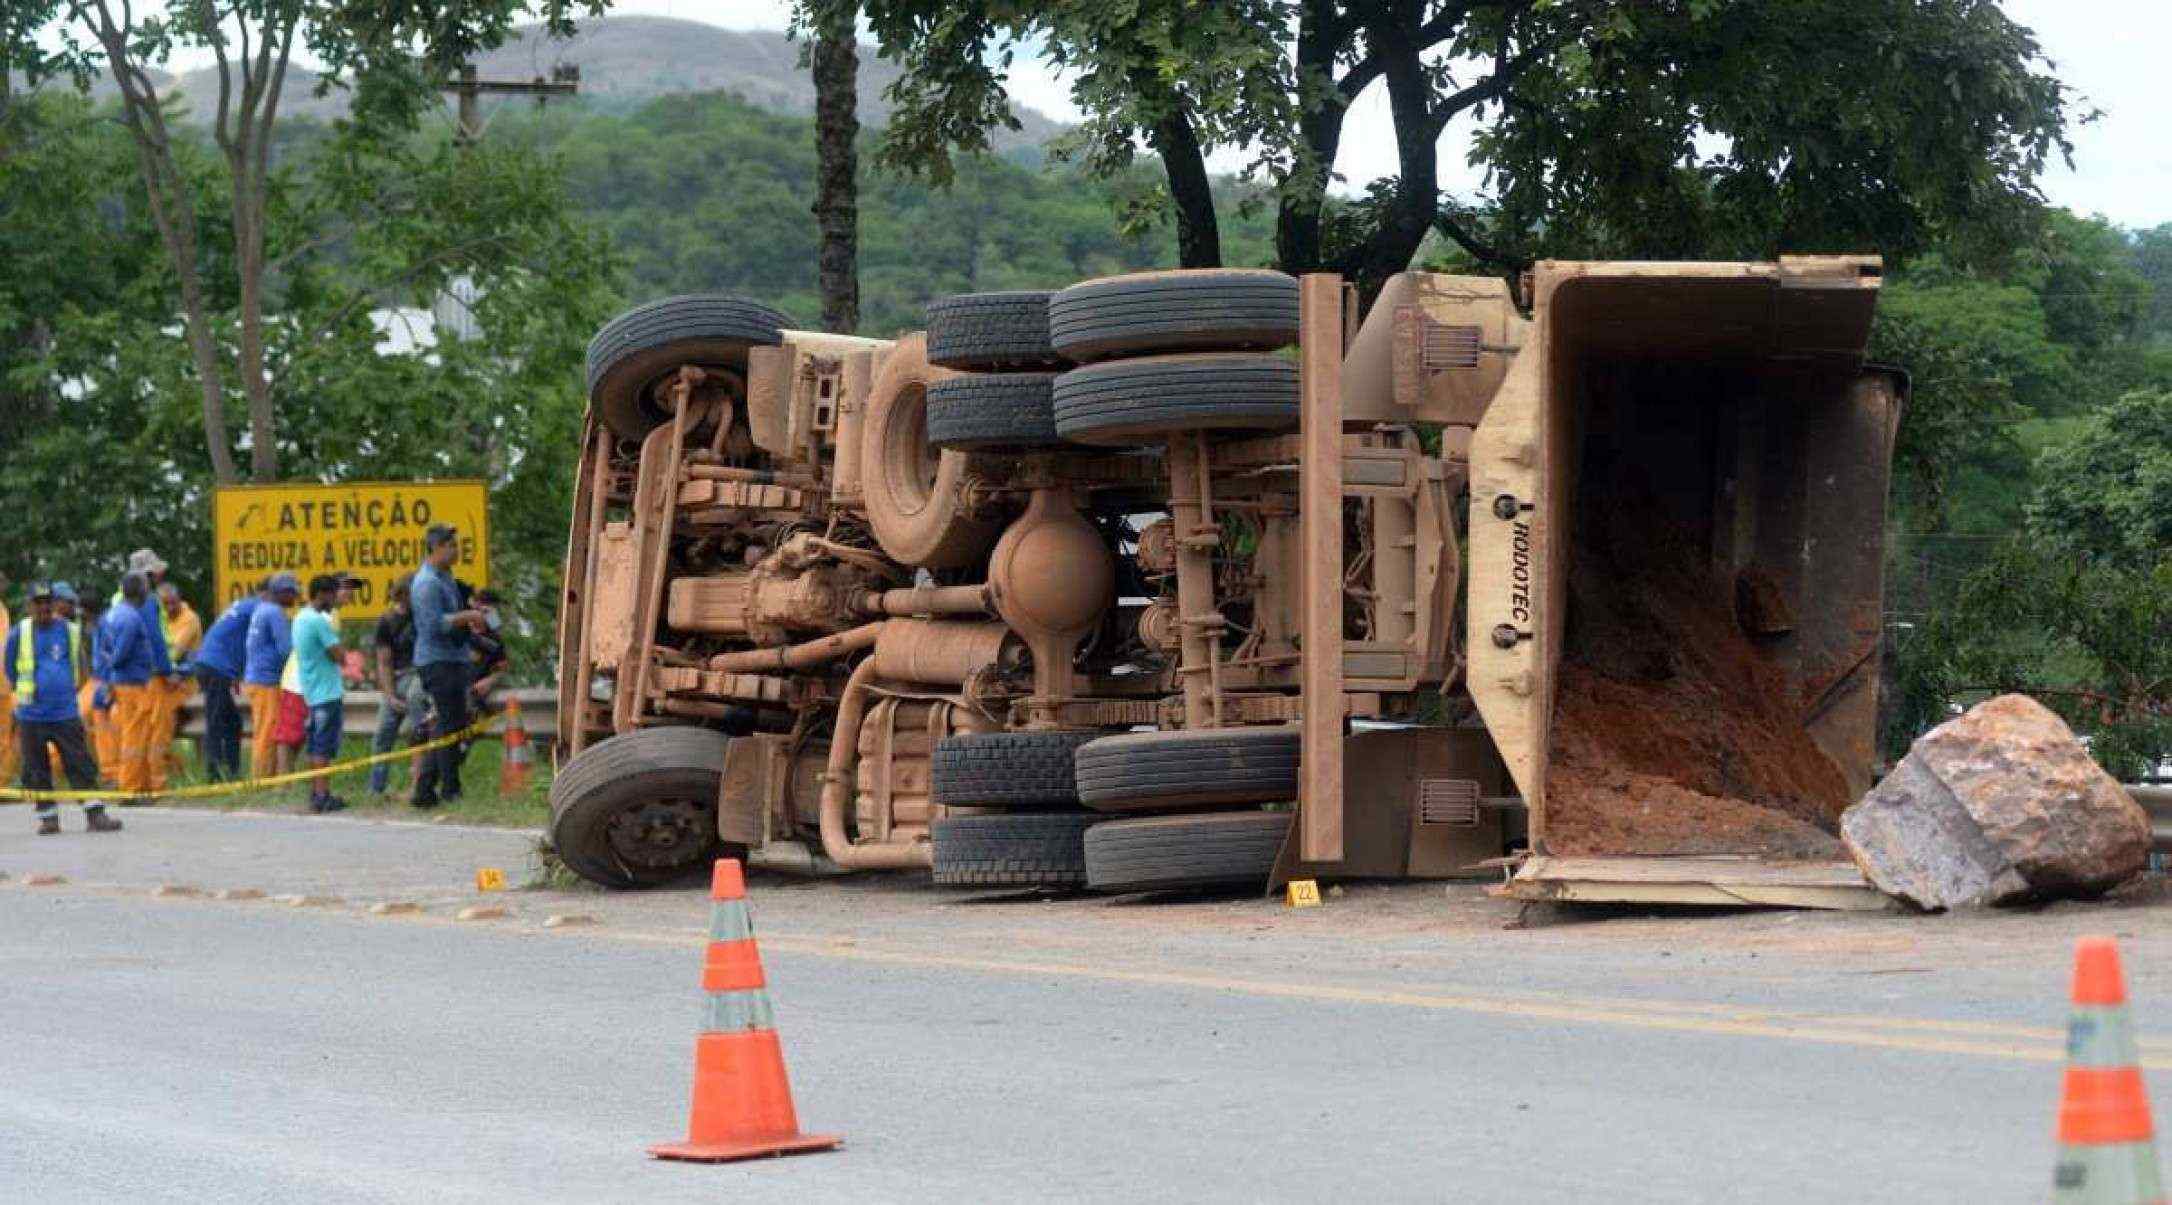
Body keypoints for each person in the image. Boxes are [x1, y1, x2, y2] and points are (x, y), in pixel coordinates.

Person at [6, 583, 120, 834]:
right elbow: (11, 670)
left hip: (64, 711)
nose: (44, 607)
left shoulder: (70, 631)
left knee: (80, 763)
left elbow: (81, 666)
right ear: (29, 606)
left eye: (48, 601)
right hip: (31, 713)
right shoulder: (19, 632)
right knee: (37, 769)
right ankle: (48, 818)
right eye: (38, 603)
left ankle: (95, 814)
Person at [410, 525, 486, 808]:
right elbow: (433, 625)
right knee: (447, 723)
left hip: (454, 658)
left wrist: (471, 615)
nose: (456, 551)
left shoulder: (446, 577)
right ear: (436, 547)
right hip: (437, 660)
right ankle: (449, 788)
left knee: (450, 723)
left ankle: (425, 789)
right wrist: (466, 615)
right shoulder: (427, 582)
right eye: (451, 545)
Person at [95, 571, 163, 797]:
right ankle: (131, 788)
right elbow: (120, 653)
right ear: (141, 591)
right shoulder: (132, 619)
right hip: (134, 684)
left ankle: (139, 786)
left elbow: (103, 649)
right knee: (135, 739)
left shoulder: (111, 614)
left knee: (132, 735)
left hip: (121, 683)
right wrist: (114, 663)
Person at [194, 581, 265, 781]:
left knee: (233, 722)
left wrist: (234, 674)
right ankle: (214, 774)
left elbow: (236, 640)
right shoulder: (258, 608)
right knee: (216, 721)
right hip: (216, 667)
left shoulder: (243, 605)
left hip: (211, 664)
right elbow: (256, 642)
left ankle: (232, 770)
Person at [291, 574, 348, 814]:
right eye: (333, 594)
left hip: (312, 690)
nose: (335, 599)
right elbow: (339, 655)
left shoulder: (299, 618)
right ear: (323, 594)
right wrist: (341, 652)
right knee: (323, 746)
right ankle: (323, 795)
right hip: (327, 692)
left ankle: (317, 792)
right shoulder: (317, 621)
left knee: (315, 745)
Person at [367, 574, 421, 797]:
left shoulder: (421, 617)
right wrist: (389, 695)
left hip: (418, 677)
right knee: (383, 735)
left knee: (414, 731)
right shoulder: (387, 621)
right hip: (396, 678)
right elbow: (383, 661)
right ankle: (376, 788)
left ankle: (418, 785)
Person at [243, 573, 300, 777]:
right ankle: (263, 778)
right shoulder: (275, 613)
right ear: (282, 592)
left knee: (262, 730)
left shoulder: (261, 609)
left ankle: (261, 775)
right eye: (292, 592)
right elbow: (286, 649)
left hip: (254, 678)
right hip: (266, 680)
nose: (295, 597)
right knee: (269, 731)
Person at [65, 586, 117, 785]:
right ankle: (95, 770)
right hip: (98, 681)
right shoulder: (97, 626)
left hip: (105, 682)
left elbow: (112, 658)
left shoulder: (105, 627)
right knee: (84, 721)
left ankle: (109, 773)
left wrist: (109, 686)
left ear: (86, 610)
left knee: (102, 724)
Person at [151, 581, 200, 791]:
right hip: (164, 680)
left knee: (160, 717)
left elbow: (173, 653)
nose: (170, 608)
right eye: (165, 605)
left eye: (173, 603)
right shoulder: (158, 619)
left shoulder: (189, 619)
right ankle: (171, 767)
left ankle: (159, 775)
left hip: (184, 683)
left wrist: (156, 662)